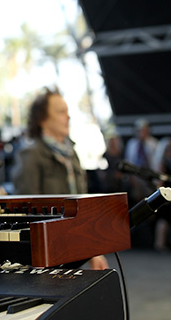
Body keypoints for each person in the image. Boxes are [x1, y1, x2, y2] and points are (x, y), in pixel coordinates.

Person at [11, 88, 107, 270]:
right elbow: (26, 212)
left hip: (72, 248)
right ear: (42, 119)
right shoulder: (30, 155)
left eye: (68, 111)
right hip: (45, 253)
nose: (68, 117)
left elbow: (81, 207)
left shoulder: (71, 153)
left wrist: (93, 248)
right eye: (61, 111)